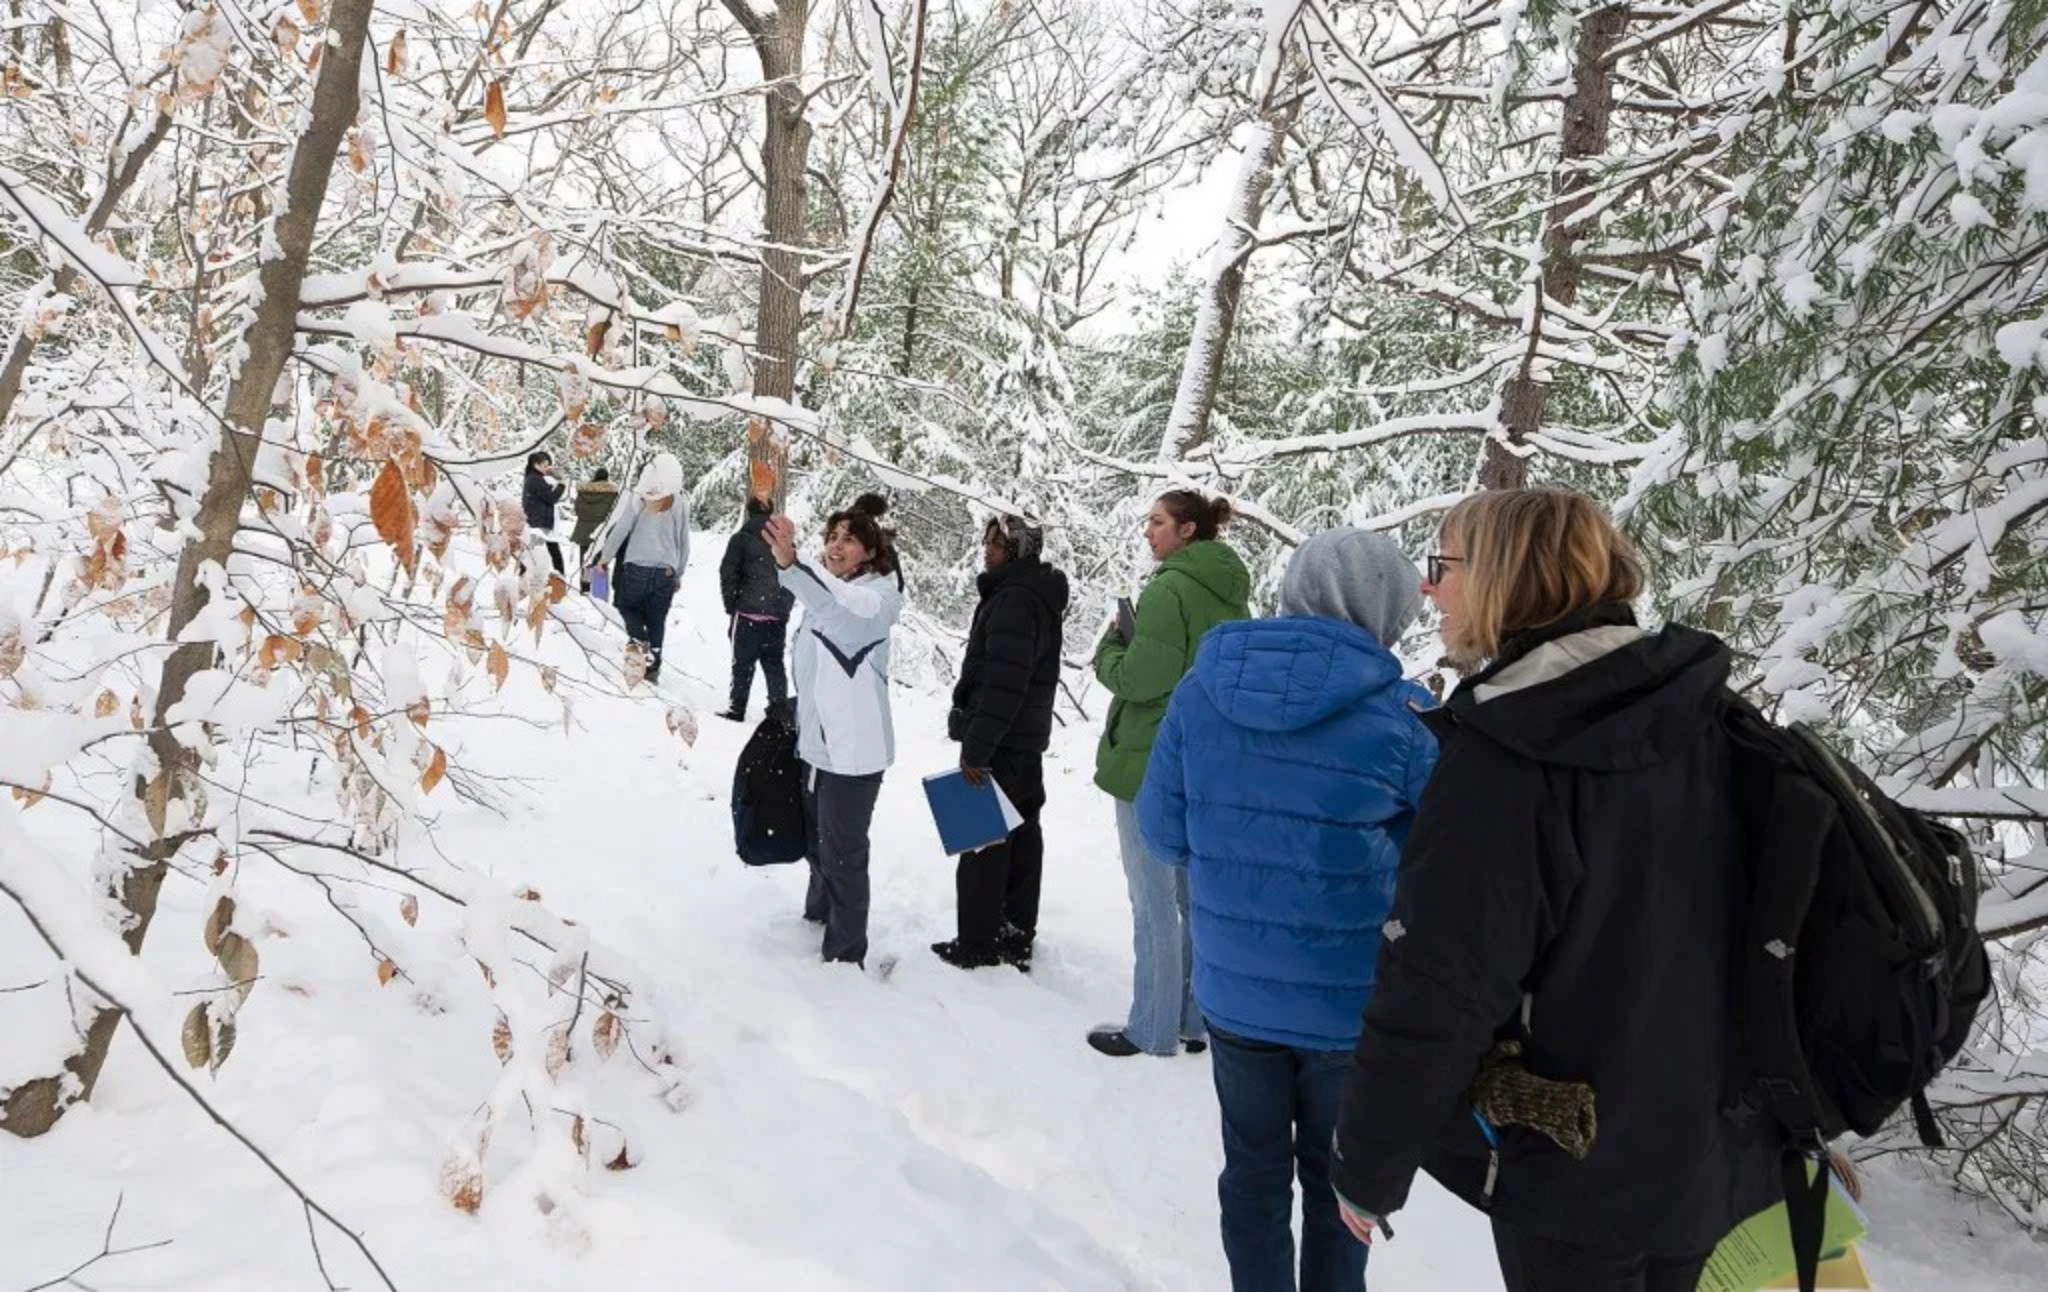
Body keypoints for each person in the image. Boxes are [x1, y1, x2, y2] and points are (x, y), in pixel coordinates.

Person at [1329, 489, 1778, 1292]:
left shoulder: (1513, 752)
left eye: (1445, 565)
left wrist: (1368, 1162)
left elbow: (1439, 985)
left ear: (1507, 577)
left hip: (1581, 1170)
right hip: (1717, 1156)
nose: (1429, 589)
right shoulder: (1706, 713)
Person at [1138, 528, 1436, 1292]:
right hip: (1349, 1006)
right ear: (1383, 610)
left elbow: (1162, 832)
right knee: (1343, 1184)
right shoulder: (1406, 716)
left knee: (1253, 1171)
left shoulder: (1201, 691)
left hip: (1234, 993)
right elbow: (1444, 863)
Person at [1088, 489, 1250, 1058]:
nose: (1147, 532)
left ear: (1187, 531)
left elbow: (1138, 678)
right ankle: (1192, 1019)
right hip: (1203, 759)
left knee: (1151, 898)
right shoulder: (1234, 596)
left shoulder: (1168, 590)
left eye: (1157, 522)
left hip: (1149, 758)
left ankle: (1151, 1028)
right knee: (1190, 897)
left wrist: (1110, 645)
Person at [762, 493, 905, 969]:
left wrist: (793, 564)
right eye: (831, 537)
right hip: (818, 745)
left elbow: (841, 611)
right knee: (818, 843)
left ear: (871, 551)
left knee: (844, 853)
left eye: (849, 539)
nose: (836, 546)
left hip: (855, 753)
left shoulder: (877, 599)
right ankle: (816, 919)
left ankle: (846, 954)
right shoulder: (833, 590)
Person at [932, 514, 1070, 973]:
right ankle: (1014, 931)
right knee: (1022, 835)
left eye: (996, 543)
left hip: (1001, 739)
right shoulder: (1033, 594)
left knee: (983, 841)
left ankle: (977, 942)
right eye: (987, 540)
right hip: (1023, 739)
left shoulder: (1013, 599)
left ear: (1017, 551)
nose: (986, 549)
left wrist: (977, 747)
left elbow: (1004, 685)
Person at [596, 452, 691, 685]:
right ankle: (653, 665)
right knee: (657, 618)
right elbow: (683, 541)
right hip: (665, 571)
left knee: (626, 606)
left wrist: (605, 558)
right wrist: (678, 573)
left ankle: (639, 641)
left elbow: (621, 531)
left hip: (637, 566)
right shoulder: (679, 501)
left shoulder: (640, 498)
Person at [718, 494, 795, 722]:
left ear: (749, 512)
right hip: (776, 616)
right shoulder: (784, 542)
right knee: (774, 663)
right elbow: (792, 576)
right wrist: (783, 609)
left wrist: (731, 605)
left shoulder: (741, 539)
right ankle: (779, 709)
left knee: (742, 663)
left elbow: (728, 574)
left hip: (747, 612)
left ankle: (737, 707)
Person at [569, 467, 619, 588]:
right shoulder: (612, 494)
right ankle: (599, 587)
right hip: (601, 532)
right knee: (601, 560)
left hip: (584, 532)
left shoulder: (583, 492)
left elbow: (577, 510)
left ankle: (585, 586)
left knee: (586, 560)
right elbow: (615, 513)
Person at [523, 451, 568, 575]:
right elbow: (551, 497)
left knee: (538, 552)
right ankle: (559, 577)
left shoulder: (533, 478)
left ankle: (555, 577)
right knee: (546, 552)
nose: (547, 468)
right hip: (539, 522)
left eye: (548, 465)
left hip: (538, 521)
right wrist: (562, 485)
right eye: (545, 465)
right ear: (535, 465)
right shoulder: (535, 479)